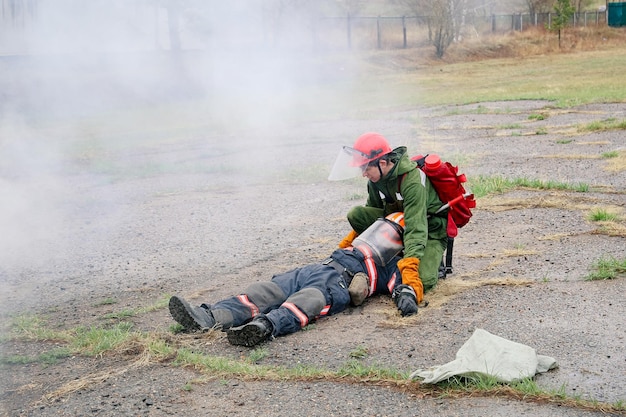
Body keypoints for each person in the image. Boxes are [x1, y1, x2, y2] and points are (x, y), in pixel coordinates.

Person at [169, 213, 418, 347]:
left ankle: (262, 328)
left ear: (401, 246)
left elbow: (402, 285)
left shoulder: (391, 266)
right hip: (316, 269)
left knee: (306, 302)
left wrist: (407, 297)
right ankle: (211, 317)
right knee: (265, 291)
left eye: (391, 236)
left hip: (339, 283)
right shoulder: (352, 245)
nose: (382, 238)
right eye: (381, 231)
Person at [328, 132, 448, 309]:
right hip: (397, 226)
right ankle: (397, 254)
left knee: (425, 280)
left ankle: (431, 261)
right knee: (356, 214)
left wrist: (410, 273)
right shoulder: (375, 180)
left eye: (365, 168)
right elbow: (371, 223)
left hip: (429, 229)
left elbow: (417, 228)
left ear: (382, 163)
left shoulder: (412, 180)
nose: (363, 174)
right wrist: (346, 248)